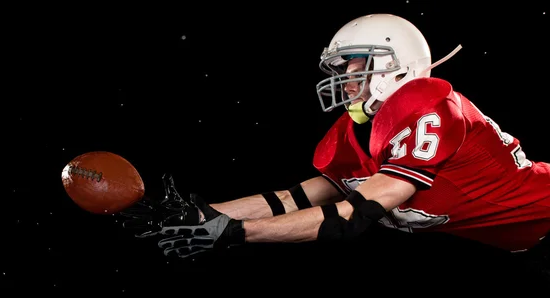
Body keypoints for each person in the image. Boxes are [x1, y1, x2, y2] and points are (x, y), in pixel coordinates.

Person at [120, 14, 549, 275]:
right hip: (514, 246)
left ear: (395, 65)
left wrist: (234, 233)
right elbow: (296, 197)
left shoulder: (428, 109)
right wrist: (199, 215)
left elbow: (352, 217)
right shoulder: (356, 131)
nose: (344, 77)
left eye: (355, 64)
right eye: (342, 67)